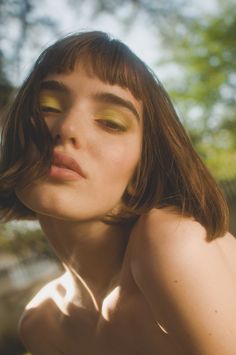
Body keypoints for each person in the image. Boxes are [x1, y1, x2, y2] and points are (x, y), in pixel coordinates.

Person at [0, 30, 236, 355]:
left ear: (141, 172)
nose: (67, 128)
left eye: (111, 122)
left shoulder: (172, 240)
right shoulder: (41, 325)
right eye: (48, 106)